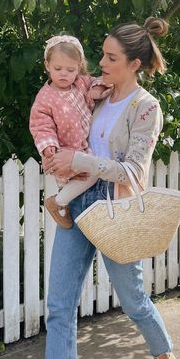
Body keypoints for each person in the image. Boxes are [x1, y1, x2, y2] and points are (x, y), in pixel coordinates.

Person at [4, 17, 178, 359]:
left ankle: (164, 358)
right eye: (100, 53)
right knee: (60, 305)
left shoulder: (145, 108)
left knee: (133, 299)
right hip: (79, 205)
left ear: (134, 64)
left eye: (110, 57)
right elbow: (56, 124)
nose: (99, 62)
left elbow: (133, 172)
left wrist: (78, 162)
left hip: (114, 209)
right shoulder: (92, 94)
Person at [29, 34, 112, 228]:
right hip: (64, 151)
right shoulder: (45, 98)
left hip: (84, 146)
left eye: (70, 69)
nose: (64, 74)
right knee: (91, 175)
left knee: (92, 173)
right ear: (47, 65)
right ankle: (58, 202)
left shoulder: (80, 83)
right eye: (58, 69)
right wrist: (49, 145)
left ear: (79, 67)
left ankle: (62, 202)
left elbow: (95, 82)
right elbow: (41, 125)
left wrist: (96, 90)